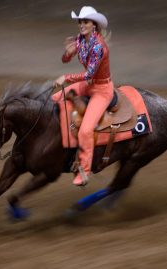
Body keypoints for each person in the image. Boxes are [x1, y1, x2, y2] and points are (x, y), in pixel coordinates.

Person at [53, 6, 114, 186]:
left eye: (85, 21)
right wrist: (68, 52)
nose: (81, 25)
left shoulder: (99, 47)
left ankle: (84, 170)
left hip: (101, 90)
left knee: (86, 129)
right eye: (80, 21)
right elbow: (65, 60)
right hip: (88, 86)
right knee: (54, 99)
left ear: (94, 25)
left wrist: (66, 77)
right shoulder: (80, 40)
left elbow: (89, 75)